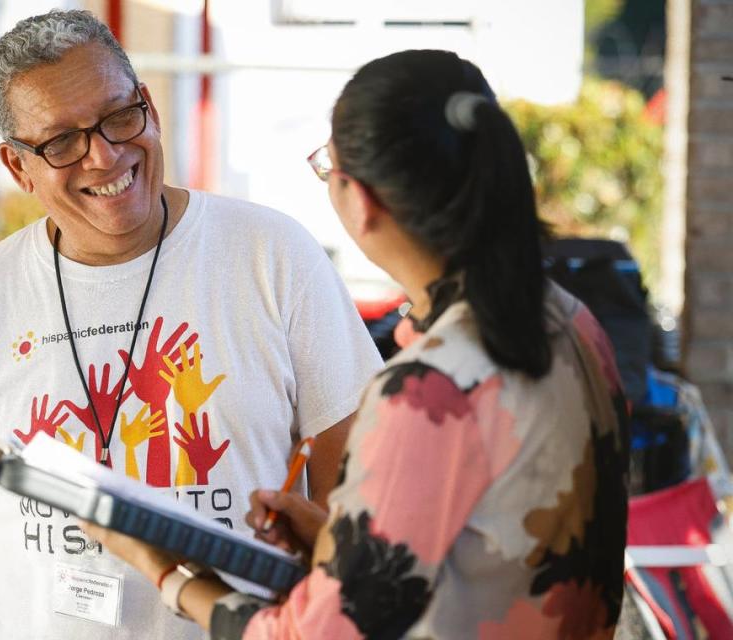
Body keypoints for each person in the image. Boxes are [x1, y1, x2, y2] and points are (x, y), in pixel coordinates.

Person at [81, 49, 631, 639]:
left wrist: (166, 572)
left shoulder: (428, 389)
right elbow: (500, 548)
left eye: (328, 169)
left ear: (361, 199)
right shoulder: (570, 321)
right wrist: (340, 546)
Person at [0, 9, 382, 640]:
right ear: (17, 167)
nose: (104, 155)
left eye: (119, 116)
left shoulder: (273, 255)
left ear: (149, 105)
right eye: (60, 142)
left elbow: (357, 478)